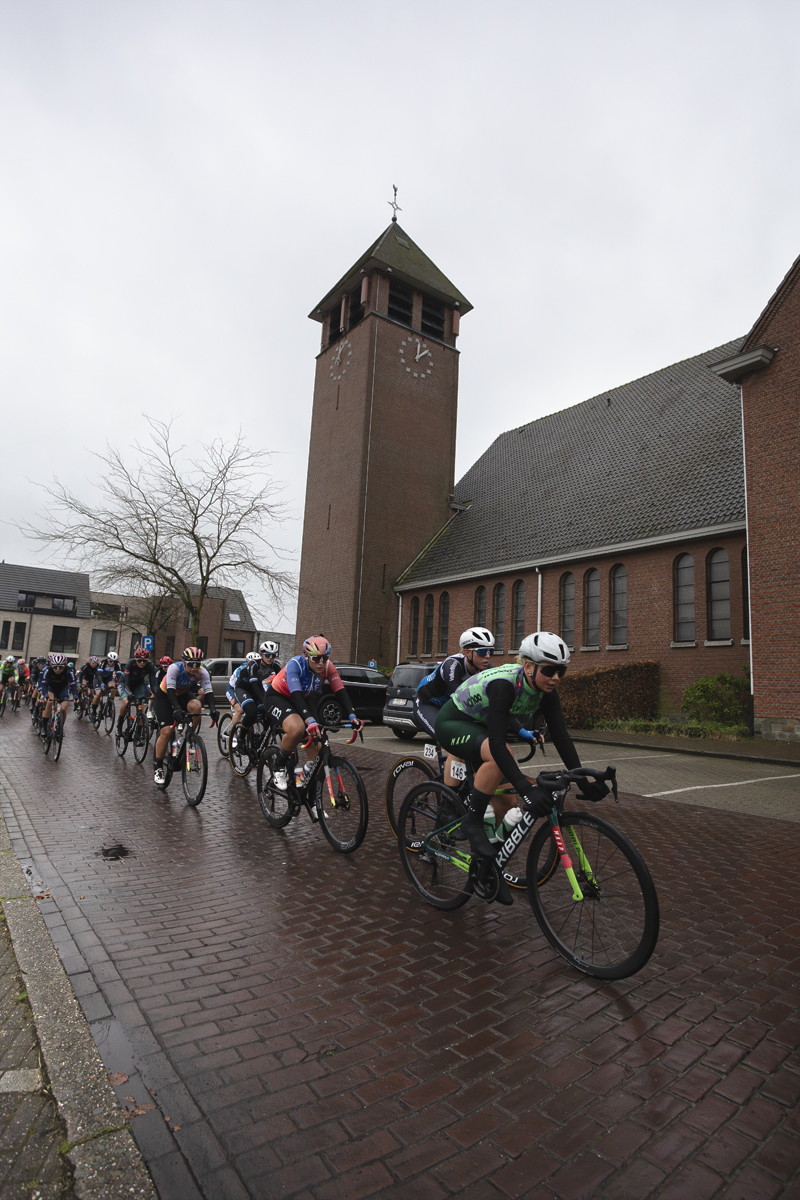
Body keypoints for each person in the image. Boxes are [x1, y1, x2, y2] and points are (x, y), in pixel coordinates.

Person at [435, 632, 608, 906]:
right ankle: (471, 821)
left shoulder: (546, 691)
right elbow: (496, 742)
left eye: (560, 671)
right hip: (453, 721)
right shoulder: (504, 685)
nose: (556, 677)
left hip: (479, 725)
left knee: (506, 801)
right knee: (501, 753)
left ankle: (488, 868)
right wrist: (529, 789)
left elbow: (561, 737)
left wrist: (584, 782)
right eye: (549, 670)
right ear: (528, 666)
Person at [264, 636, 361, 791]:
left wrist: (352, 716)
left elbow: (340, 691)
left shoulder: (328, 667)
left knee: (320, 745)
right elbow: (295, 695)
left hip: (303, 698)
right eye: (316, 659)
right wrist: (309, 720)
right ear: (306, 656)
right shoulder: (295, 665)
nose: (321, 663)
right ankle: (278, 766)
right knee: (297, 728)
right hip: (278, 697)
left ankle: (304, 777)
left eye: (325, 658)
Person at [414, 626, 496, 787]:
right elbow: (458, 698)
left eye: (490, 651)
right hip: (427, 705)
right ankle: (448, 801)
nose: (487, 656)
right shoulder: (452, 665)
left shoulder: (487, 669)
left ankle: (465, 785)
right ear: (467, 652)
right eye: (482, 651)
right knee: (456, 743)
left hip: (450, 709)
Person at [153, 647, 217, 785]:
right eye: (191, 664)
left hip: (183, 694)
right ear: (183, 662)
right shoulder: (174, 669)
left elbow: (208, 691)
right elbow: (170, 690)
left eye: (198, 664)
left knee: (197, 706)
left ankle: (189, 737)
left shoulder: (202, 672)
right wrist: (176, 708)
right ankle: (158, 767)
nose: (195, 667)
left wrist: (213, 708)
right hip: (165, 696)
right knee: (167, 731)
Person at [226, 643, 282, 744]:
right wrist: (264, 702)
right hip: (244, 688)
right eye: (268, 655)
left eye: (273, 655)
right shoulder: (253, 664)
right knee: (252, 712)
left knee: (269, 711)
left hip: (258, 687)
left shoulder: (276, 665)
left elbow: (282, 683)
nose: (270, 658)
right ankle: (241, 738)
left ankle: (265, 736)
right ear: (261, 654)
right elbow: (254, 686)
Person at [116, 647, 156, 736]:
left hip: (138, 685)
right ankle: (119, 724)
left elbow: (153, 685)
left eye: (144, 661)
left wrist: (157, 695)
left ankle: (138, 733)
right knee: (126, 702)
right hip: (125, 684)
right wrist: (129, 693)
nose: (142, 663)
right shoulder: (130, 664)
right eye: (139, 660)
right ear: (136, 660)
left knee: (140, 706)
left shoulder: (150, 666)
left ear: (147, 660)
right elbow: (126, 684)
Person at [40, 653, 78, 734]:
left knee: (63, 709)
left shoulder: (69, 670)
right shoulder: (48, 669)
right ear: (51, 665)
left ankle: (60, 727)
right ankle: (43, 726)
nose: (57, 669)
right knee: (49, 702)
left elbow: (73, 684)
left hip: (63, 688)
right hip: (51, 687)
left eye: (60, 667)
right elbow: (44, 684)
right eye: (55, 667)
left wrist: (75, 696)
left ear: (64, 666)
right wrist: (45, 695)